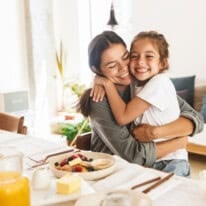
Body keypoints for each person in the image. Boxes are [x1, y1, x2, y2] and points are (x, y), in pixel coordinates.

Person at [77, 31, 203, 170]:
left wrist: (156, 132)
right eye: (112, 66)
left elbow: (195, 118)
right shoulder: (99, 100)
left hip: (150, 168)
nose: (123, 68)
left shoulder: (145, 83)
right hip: (113, 172)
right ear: (97, 69)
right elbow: (133, 156)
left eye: (126, 58)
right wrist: (178, 142)